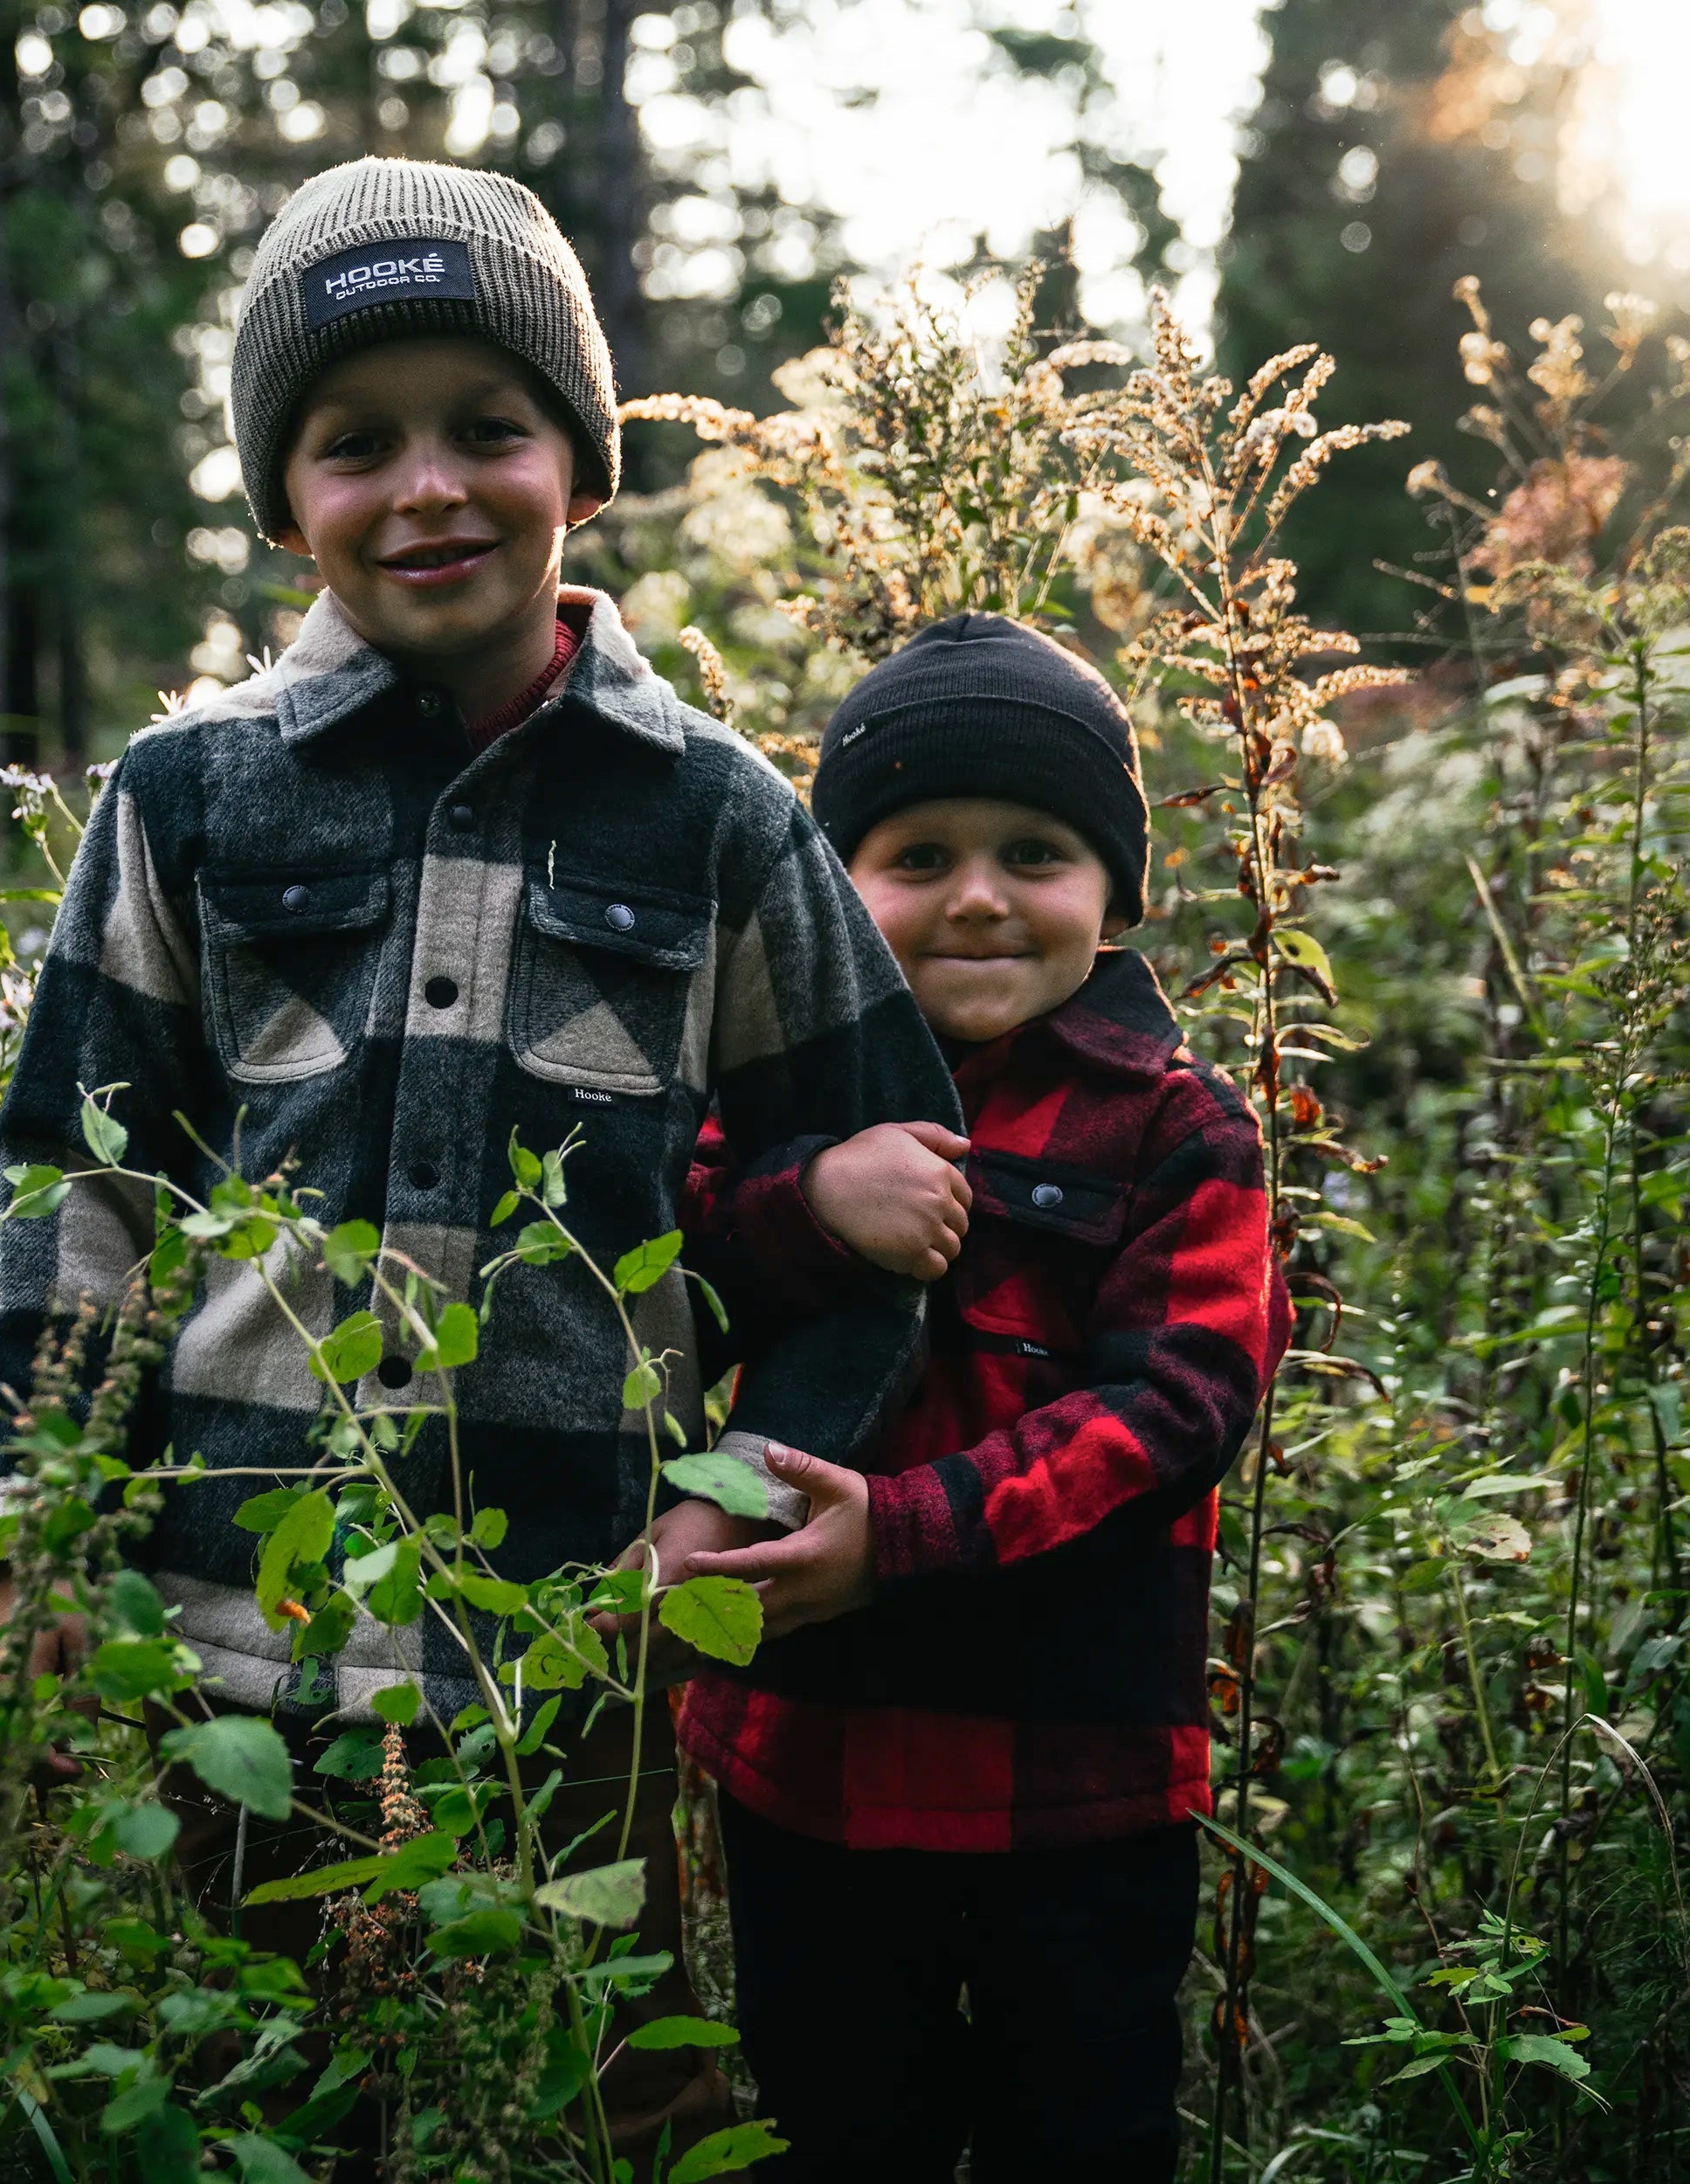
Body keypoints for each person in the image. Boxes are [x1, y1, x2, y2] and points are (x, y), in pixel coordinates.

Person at [0, 155, 960, 2167]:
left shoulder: (714, 812)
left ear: (577, 465)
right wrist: (39, 1498)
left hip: (585, 1607)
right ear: (280, 499)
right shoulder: (187, 795)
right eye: (354, 444)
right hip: (235, 1607)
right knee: (263, 2071)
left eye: (486, 428)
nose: (427, 486)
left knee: (625, 2072)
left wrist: (753, 1497)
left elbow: (876, 1185)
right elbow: (82, 1178)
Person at [675, 613, 1293, 2182]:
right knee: (835, 2131)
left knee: (1079, 2140)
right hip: (806, 1766)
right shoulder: (776, 1099)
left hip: (1076, 1794)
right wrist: (812, 1195)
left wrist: (904, 1533)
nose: (976, 897)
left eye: (1036, 852)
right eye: (916, 853)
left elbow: (1178, 1402)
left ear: (1114, 895)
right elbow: (657, 1267)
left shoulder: (1175, 1131)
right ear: (838, 891)